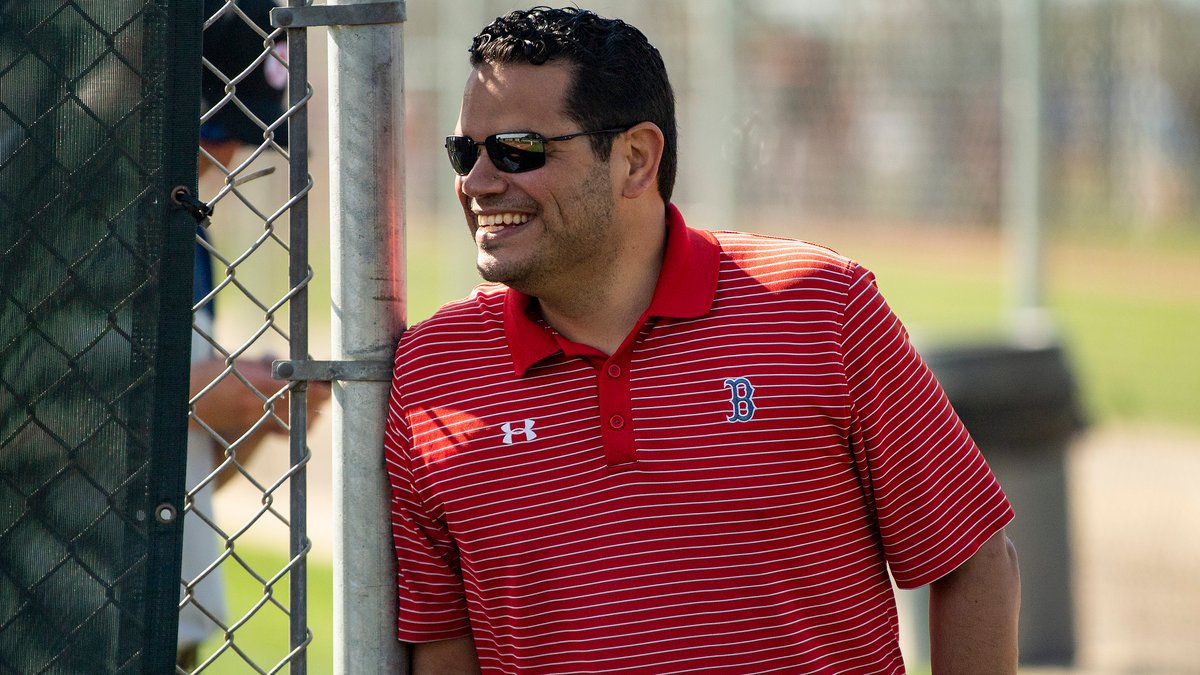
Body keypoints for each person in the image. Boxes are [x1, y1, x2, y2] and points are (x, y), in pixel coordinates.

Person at [384, 6, 1020, 673]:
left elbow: (974, 561)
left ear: (635, 160)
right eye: (466, 151)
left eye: (518, 149)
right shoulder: (432, 370)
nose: (477, 182)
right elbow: (444, 644)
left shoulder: (822, 309)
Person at [178, 0, 329, 668]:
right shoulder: (42, 222)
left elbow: (189, 480)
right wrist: (180, 396)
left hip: (166, 622)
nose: (232, 154)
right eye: (215, 129)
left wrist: (244, 416)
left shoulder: (187, 239)